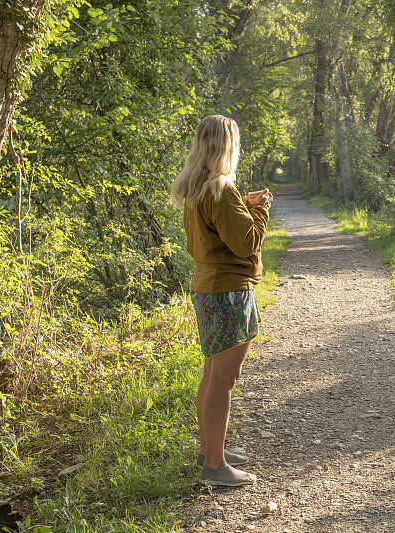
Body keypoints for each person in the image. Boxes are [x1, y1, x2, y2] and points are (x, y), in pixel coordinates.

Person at [170, 114, 272, 487]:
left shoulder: (196, 187)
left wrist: (243, 206)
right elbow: (245, 243)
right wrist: (259, 209)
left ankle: (210, 452)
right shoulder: (220, 188)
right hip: (228, 292)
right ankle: (214, 468)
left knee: (213, 376)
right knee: (223, 381)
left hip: (208, 287)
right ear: (227, 145)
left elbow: (221, 232)